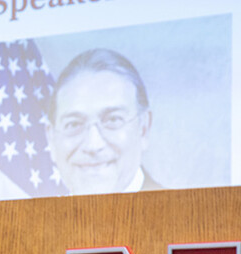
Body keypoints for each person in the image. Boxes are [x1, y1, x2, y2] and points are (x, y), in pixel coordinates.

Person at [45, 48, 162, 195]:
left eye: (113, 120)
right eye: (74, 124)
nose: (93, 145)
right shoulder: (36, 217)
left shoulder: (179, 212)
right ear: (51, 139)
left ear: (143, 128)